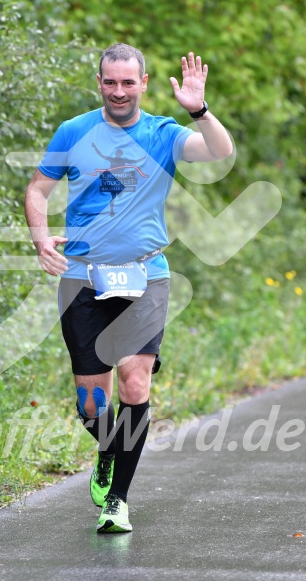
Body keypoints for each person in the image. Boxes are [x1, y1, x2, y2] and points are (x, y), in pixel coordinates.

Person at [24, 43, 233, 533]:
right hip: (82, 276)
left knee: (135, 382)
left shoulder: (163, 133)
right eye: (110, 82)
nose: (119, 91)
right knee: (92, 404)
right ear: (99, 83)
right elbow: (38, 189)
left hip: (146, 275)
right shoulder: (74, 132)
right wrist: (39, 240)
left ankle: (117, 499)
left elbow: (221, 152)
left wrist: (200, 110)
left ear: (143, 83)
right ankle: (106, 450)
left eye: (128, 82)